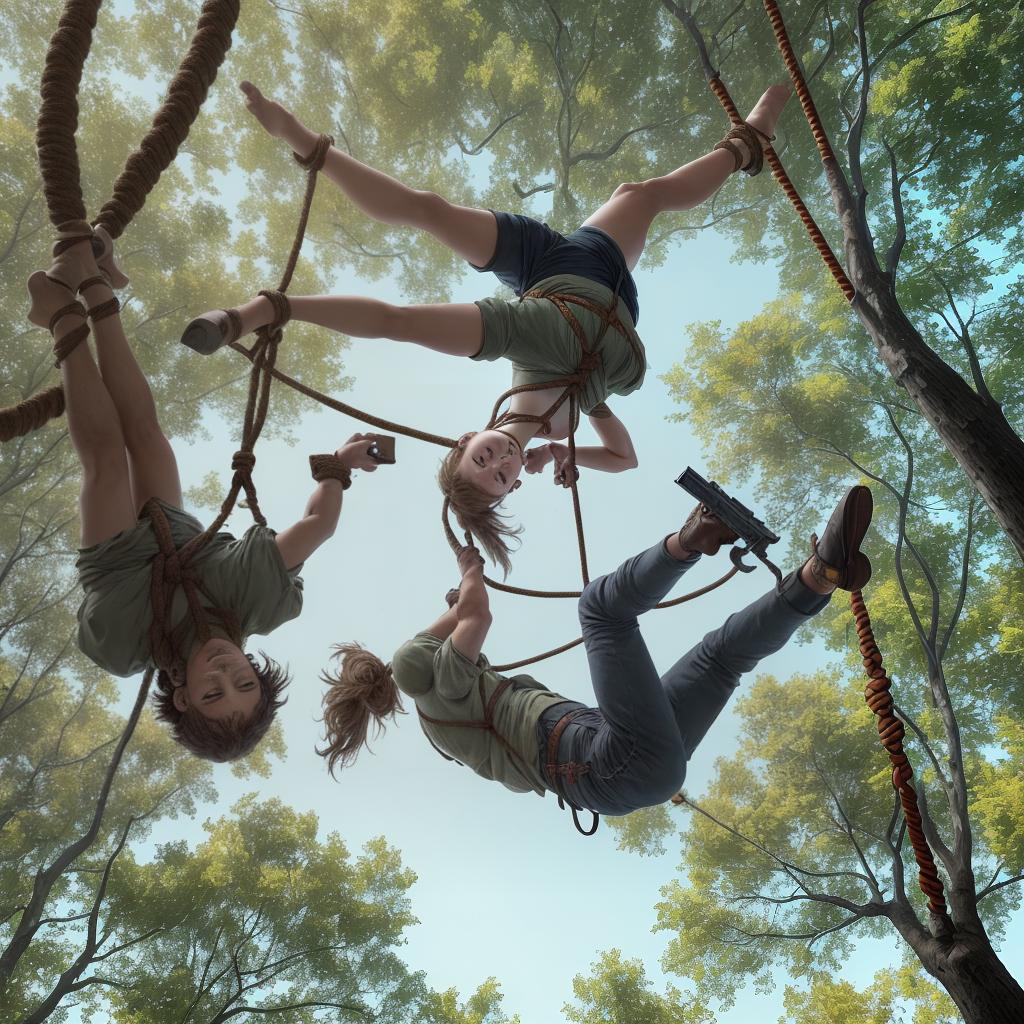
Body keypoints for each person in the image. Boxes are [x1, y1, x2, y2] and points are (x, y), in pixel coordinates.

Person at [184, 80, 790, 573]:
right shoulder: (567, 425)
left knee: (432, 214)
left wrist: (279, 310)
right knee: (640, 194)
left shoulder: (514, 349)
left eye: (481, 460)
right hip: (612, 299)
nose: (499, 462)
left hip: (552, 280)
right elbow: (624, 458)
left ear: (468, 440)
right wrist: (557, 449)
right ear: (512, 487)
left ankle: (301, 171)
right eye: (500, 476)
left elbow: (393, 321)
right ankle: (746, 146)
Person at [26, 229, 392, 761]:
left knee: (106, 463)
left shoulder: (125, 644)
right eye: (244, 683)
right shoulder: (254, 601)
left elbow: (102, 612)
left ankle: (62, 315)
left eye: (212, 692)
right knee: (146, 433)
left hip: (122, 567)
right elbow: (319, 526)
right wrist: (337, 467)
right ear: (257, 676)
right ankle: (97, 289)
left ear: (182, 695)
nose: (225, 671)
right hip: (173, 529)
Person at [317, 485, 873, 820]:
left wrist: (460, 603)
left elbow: (457, 624)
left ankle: (818, 575)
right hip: (601, 758)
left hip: (618, 766)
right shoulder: (434, 681)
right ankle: (693, 537)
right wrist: (468, 574)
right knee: (600, 611)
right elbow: (473, 617)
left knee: (720, 659)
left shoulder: (444, 712)